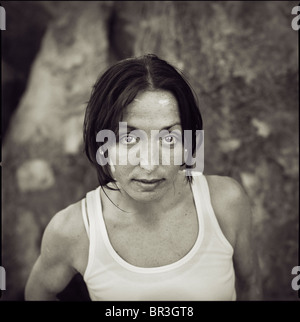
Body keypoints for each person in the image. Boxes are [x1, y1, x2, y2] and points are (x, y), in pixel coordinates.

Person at [25, 54, 262, 301]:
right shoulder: (73, 230)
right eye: (128, 139)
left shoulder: (225, 203)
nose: (149, 164)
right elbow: (37, 294)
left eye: (169, 139)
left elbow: (250, 283)